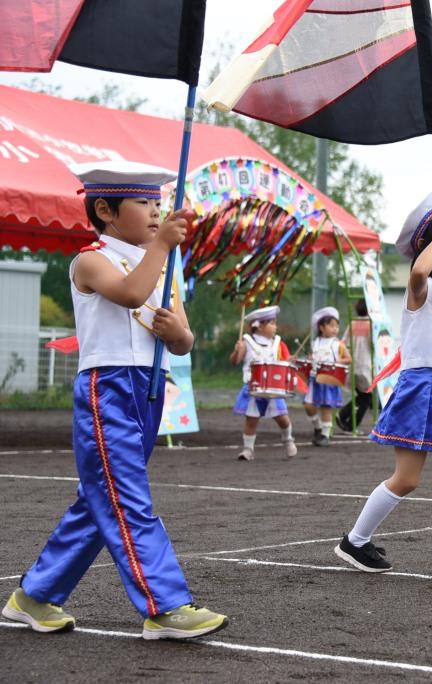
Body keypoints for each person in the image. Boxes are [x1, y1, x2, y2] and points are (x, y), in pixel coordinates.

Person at [3, 161, 227, 639]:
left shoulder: (164, 263)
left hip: (149, 388)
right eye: (143, 204)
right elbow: (128, 293)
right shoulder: (91, 259)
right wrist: (164, 245)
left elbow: (184, 339)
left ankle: (33, 597)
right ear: (104, 209)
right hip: (107, 388)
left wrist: (179, 332)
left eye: (157, 204)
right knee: (126, 498)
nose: (154, 213)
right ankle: (165, 605)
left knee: (100, 499)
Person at [334, 193, 432, 581]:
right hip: (423, 386)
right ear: (429, 246)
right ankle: (355, 540)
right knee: (407, 479)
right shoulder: (423, 288)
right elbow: (419, 273)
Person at [230, 305, 298, 461]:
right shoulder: (246, 342)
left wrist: (289, 361)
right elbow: (235, 361)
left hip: (274, 388)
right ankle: (248, 449)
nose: (275, 327)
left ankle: (288, 440)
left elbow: (282, 363)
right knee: (251, 420)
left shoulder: (278, 343)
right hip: (254, 387)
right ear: (259, 326)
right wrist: (237, 350)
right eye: (272, 323)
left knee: (282, 418)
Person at [303, 306, 352, 446]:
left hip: (329, 379)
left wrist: (336, 362)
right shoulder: (315, 342)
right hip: (314, 379)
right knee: (307, 405)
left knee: (326, 406)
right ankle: (317, 427)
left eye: (337, 326)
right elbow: (311, 357)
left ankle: (325, 435)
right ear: (321, 327)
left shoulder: (338, 344)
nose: (335, 329)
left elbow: (348, 359)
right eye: (331, 326)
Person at [336, 299, 375, 433]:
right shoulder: (371, 324)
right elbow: (374, 344)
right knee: (366, 398)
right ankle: (348, 421)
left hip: (352, 364)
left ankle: (344, 417)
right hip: (365, 365)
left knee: (362, 396)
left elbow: (343, 342)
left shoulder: (353, 323)